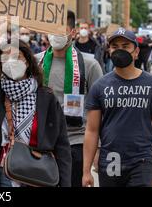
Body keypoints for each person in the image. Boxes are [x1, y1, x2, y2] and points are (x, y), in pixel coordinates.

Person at [0, 23, 72, 187]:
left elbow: (62, 146)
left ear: (27, 60)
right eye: (6, 58)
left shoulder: (46, 98)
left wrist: (65, 183)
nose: (12, 62)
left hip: (37, 175)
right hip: (3, 174)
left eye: (17, 57)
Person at [83, 28, 152, 187]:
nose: (120, 50)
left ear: (136, 52)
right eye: (115, 47)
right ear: (109, 50)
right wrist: (86, 171)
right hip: (110, 160)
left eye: (125, 46)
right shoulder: (99, 86)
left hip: (141, 161)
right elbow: (92, 130)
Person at [36, 11, 103, 187]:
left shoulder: (89, 65)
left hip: (77, 143)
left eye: (60, 29)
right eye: (51, 29)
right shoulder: (36, 63)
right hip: (42, 144)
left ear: (72, 32)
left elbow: (101, 110)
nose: (55, 34)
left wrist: (98, 149)